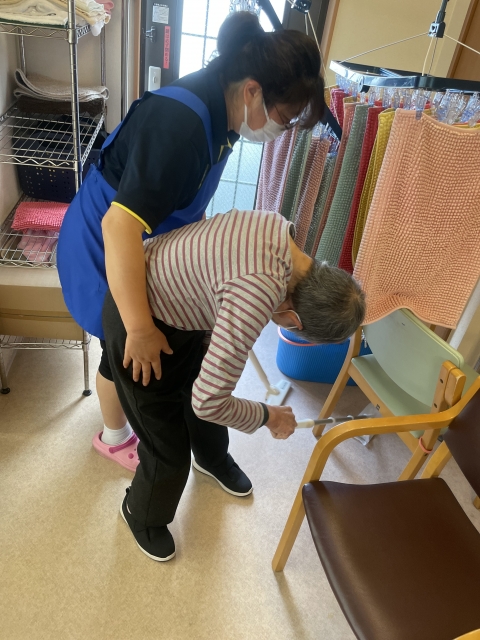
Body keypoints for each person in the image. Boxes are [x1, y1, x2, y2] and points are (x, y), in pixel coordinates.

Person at [57, 11, 326, 481]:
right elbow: (119, 226)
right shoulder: (180, 125)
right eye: (283, 120)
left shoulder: (226, 113)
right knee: (121, 353)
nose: (279, 132)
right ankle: (114, 437)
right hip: (107, 241)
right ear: (253, 90)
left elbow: (191, 199)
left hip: (150, 237)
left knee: (176, 354)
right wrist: (139, 328)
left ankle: (202, 448)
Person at [102, 208, 366, 561]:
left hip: (181, 310)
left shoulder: (278, 228)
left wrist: (211, 347)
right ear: (293, 319)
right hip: (136, 316)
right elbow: (208, 402)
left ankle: (211, 458)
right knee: (167, 447)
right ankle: (140, 514)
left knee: (200, 384)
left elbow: (216, 279)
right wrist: (268, 416)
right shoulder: (257, 293)